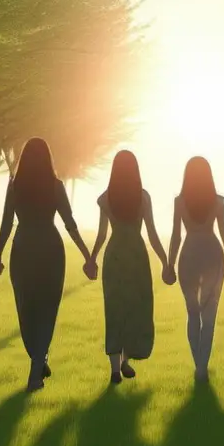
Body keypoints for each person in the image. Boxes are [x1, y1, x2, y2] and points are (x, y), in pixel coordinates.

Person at [0, 138, 92, 392]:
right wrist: (87, 255)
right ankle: (39, 359)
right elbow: (70, 223)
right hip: (50, 250)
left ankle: (36, 365)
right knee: (47, 309)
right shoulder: (55, 186)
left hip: (23, 249)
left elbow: (6, 224)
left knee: (26, 308)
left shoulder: (15, 187)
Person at [85, 150, 169, 385]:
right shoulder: (143, 198)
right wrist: (165, 262)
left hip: (114, 255)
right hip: (136, 255)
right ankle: (125, 360)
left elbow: (102, 234)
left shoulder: (105, 198)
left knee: (113, 308)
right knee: (135, 307)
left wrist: (92, 259)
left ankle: (115, 368)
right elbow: (151, 232)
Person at [164, 157, 224, 383]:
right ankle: (202, 367)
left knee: (192, 313)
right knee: (209, 314)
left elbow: (176, 236)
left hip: (188, 255)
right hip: (212, 253)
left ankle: (198, 362)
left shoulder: (180, 202)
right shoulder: (218, 201)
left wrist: (170, 264)